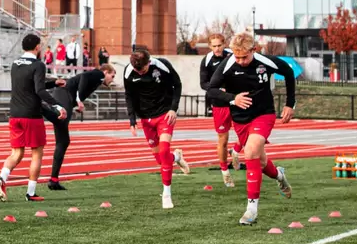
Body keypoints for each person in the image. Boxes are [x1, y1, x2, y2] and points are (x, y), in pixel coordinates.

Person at [206, 32, 296, 226]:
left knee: (251, 151)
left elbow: (288, 72)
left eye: (244, 57)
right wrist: (232, 98)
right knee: (261, 162)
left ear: (253, 50)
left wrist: (290, 104)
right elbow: (211, 90)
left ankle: (251, 209)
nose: (240, 61)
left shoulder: (265, 61)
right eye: (237, 57)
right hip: (240, 119)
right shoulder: (228, 64)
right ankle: (279, 176)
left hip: (264, 114)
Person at [0, 33, 67, 204]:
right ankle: (30, 193)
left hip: (15, 115)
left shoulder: (15, 64)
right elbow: (39, 90)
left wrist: (53, 82)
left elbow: (30, 85)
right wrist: (57, 105)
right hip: (32, 115)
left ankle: (2, 177)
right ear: (37, 47)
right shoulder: (38, 65)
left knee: (16, 153)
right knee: (36, 154)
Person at [124, 45, 190, 209]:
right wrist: (132, 120)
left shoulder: (162, 65)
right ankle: (177, 157)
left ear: (149, 61)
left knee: (164, 149)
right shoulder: (128, 72)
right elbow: (129, 96)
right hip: (145, 118)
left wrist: (173, 109)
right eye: (136, 70)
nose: (140, 72)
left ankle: (167, 193)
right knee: (161, 160)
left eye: (143, 69)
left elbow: (178, 84)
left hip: (164, 114)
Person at [46, 64, 116, 190]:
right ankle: (40, 107)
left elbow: (82, 80)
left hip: (63, 95)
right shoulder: (99, 74)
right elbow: (83, 76)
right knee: (61, 127)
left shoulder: (97, 79)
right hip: (64, 93)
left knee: (64, 141)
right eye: (112, 75)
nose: (112, 79)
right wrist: (79, 100)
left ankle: (54, 180)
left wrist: (76, 101)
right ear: (106, 72)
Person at [199, 33, 236, 187]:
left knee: (247, 133)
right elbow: (203, 83)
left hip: (235, 101)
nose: (217, 49)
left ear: (224, 44)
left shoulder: (233, 56)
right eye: (214, 46)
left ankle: (236, 150)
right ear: (210, 46)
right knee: (223, 139)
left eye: (219, 45)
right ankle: (225, 173)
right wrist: (218, 90)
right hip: (219, 103)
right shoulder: (207, 60)